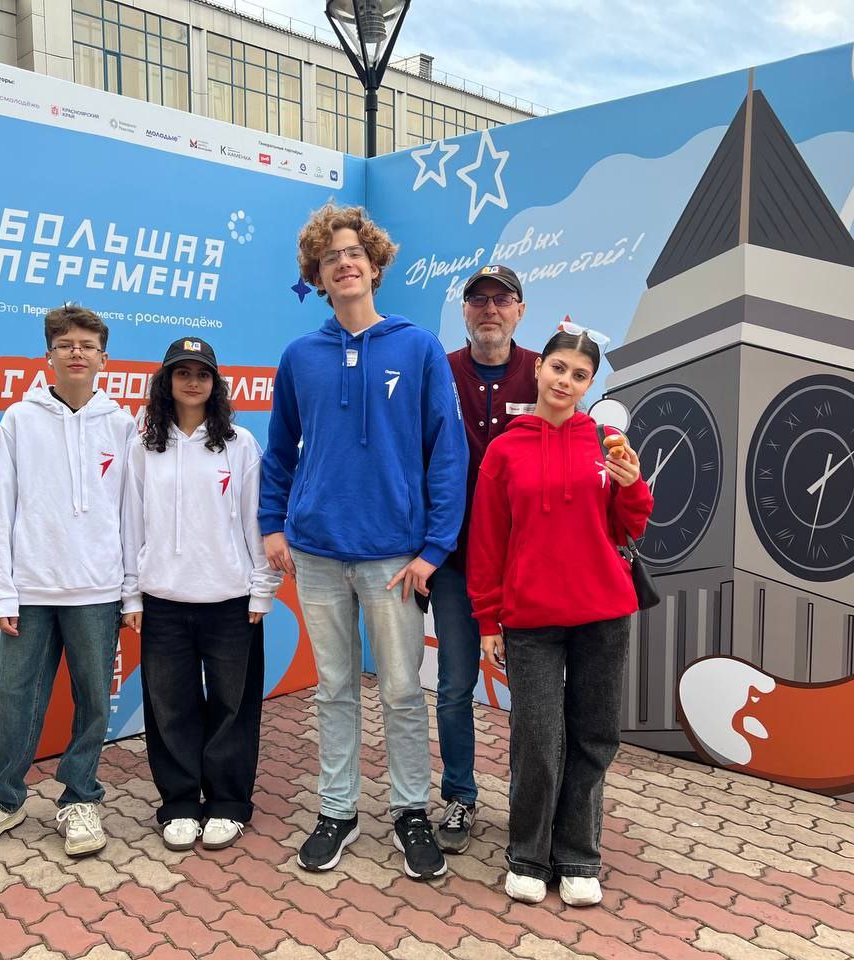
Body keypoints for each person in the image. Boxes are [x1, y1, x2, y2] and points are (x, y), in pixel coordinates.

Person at [259, 202, 468, 881]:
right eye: (330, 258)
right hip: (318, 554)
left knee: (403, 691)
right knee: (335, 689)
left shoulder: (417, 347)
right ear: (317, 277)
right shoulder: (300, 357)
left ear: (375, 266)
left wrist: (434, 549)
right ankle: (337, 810)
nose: (343, 263)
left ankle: (410, 811)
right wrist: (272, 524)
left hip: (394, 559)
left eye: (353, 253)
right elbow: (279, 452)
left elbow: (447, 453)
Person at [467, 326, 654, 907]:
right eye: (558, 368)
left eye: (579, 375)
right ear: (539, 367)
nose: (565, 381)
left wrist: (633, 486)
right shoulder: (505, 450)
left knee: (593, 736)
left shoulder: (607, 443)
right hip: (531, 620)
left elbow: (629, 525)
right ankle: (528, 853)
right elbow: (487, 541)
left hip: (603, 613)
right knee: (538, 740)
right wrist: (488, 621)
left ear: (590, 384)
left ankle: (578, 855)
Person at [0, 305, 139, 857]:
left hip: (98, 590)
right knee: (12, 695)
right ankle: (5, 797)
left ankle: (80, 797)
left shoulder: (122, 425)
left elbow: (131, 515)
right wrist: (1, 591)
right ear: (49, 356)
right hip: (31, 589)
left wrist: (131, 591)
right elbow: (0, 509)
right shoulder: (19, 419)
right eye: (65, 345)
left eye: (87, 345)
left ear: (104, 358)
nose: (76, 353)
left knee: (94, 700)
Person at [121, 336, 281, 854]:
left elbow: (256, 520)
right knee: (170, 707)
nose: (192, 382)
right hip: (163, 600)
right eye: (182, 372)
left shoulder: (239, 443)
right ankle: (180, 802)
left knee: (234, 706)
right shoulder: (144, 444)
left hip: (230, 600)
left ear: (215, 383)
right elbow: (131, 522)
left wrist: (261, 590)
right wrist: (132, 595)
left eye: (202, 373)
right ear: (166, 381)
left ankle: (229, 803)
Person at [432, 264, 539, 853]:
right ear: (465, 311)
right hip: (454, 561)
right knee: (454, 686)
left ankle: (531, 804)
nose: (490, 310)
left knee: (533, 693)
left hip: (525, 564)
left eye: (502, 300)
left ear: (520, 310)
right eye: (479, 300)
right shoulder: (440, 370)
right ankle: (459, 796)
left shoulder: (543, 373)